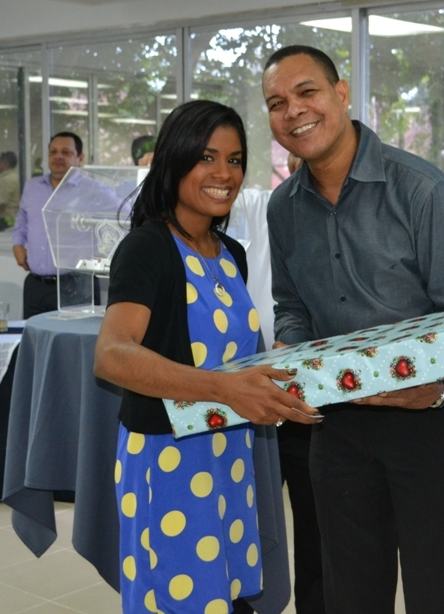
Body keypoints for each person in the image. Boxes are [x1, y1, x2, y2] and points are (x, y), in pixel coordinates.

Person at [263, 45, 444, 614]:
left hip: (434, 419)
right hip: (339, 423)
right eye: (276, 103)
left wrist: (435, 387)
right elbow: (291, 304)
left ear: (340, 94)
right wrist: (290, 346)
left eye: (307, 92)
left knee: (441, 591)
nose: (293, 111)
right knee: (349, 590)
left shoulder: (422, 191)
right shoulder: (283, 207)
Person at [93, 100, 320, 614]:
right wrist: (224, 389)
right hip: (169, 461)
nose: (224, 173)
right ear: (174, 161)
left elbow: (235, 358)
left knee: (224, 593)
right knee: (178, 594)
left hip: (229, 456)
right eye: (207, 157)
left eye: (235, 160)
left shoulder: (230, 252)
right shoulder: (148, 249)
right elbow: (111, 355)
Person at [225, 152, 324, 614]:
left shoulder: (353, 226)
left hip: (316, 402)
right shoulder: (266, 206)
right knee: (247, 522)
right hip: (249, 398)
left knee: (318, 532)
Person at [11, 132, 85, 318]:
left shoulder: (91, 189)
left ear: (80, 158)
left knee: (73, 337)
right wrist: (17, 244)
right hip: (36, 285)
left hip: (76, 286)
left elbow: (119, 219)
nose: (58, 156)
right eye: (53, 152)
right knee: (34, 335)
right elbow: (22, 220)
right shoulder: (32, 187)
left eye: (66, 152)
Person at [0, 151, 20, 230]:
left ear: (4, 163)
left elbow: (1, 204)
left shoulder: (6, 180)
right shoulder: (16, 178)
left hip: (5, 222)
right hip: (13, 220)